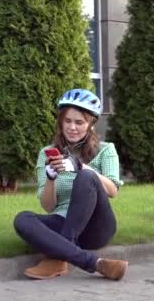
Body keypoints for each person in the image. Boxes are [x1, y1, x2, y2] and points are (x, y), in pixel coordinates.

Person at [14, 89, 128, 281]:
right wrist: (51, 178)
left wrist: (80, 167)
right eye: (67, 121)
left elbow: (113, 190)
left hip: (96, 226)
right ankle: (96, 264)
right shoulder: (47, 153)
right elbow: (48, 206)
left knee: (86, 176)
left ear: (91, 124)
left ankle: (59, 256)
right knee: (22, 219)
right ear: (60, 122)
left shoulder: (106, 150)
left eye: (79, 122)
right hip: (62, 221)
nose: (72, 127)